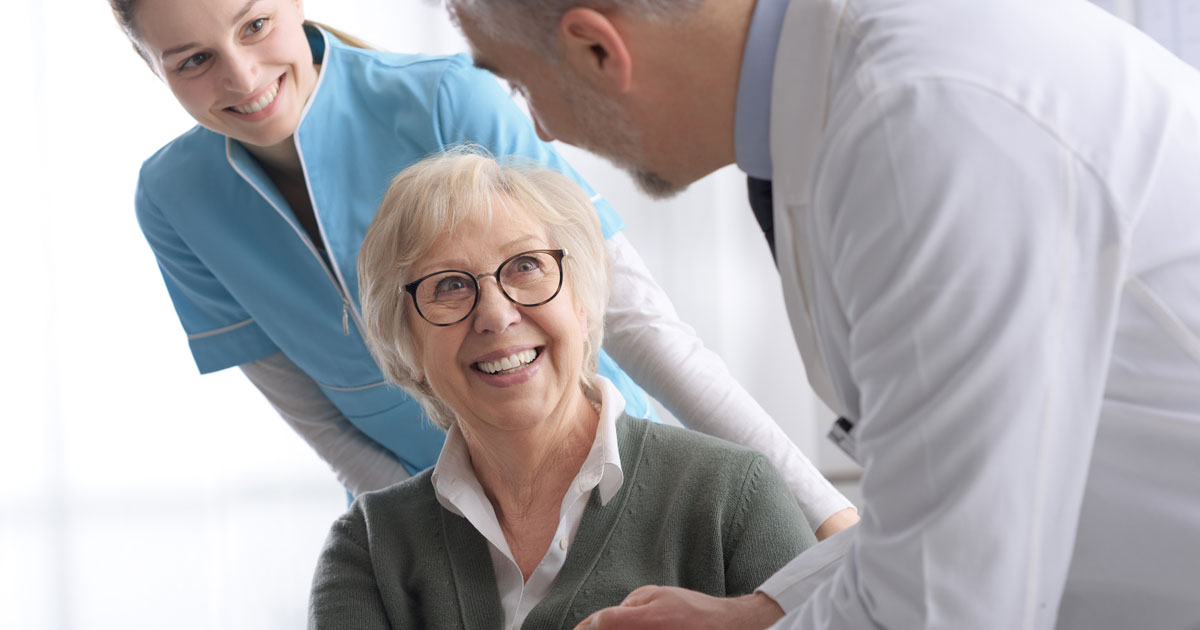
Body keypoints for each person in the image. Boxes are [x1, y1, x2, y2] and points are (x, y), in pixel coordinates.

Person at [441, 0, 1200, 628]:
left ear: (596, 50)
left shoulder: (919, 120)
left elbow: (942, 606)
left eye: (519, 85)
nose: (539, 128)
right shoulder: (854, 96)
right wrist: (765, 610)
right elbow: (953, 500)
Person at [108, 0, 858, 537]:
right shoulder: (173, 200)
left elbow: (636, 321)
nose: (241, 77)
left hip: (616, 475)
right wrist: (445, 541)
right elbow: (314, 416)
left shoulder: (446, 98)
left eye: (256, 25)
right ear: (153, 68)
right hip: (414, 513)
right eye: (193, 61)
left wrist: (824, 511)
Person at [307, 149, 816, 629]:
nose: (496, 315)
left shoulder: (733, 496)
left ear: (581, 300)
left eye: (526, 266)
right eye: (449, 285)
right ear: (409, 347)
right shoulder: (367, 548)